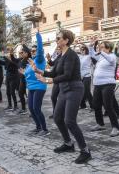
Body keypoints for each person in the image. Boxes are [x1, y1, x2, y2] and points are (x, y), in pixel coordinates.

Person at [32, 29, 92, 164]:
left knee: (69, 121)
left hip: (74, 89)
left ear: (66, 40)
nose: (56, 40)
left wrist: (48, 81)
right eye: (56, 38)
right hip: (65, 90)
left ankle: (85, 151)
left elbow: (68, 75)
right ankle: (68, 143)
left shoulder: (71, 55)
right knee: (58, 118)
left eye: (59, 38)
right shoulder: (61, 55)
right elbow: (54, 72)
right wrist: (39, 71)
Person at [89, 40, 119, 137]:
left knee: (108, 106)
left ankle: (116, 128)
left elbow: (110, 60)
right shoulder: (101, 57)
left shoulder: (112, 56)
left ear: (108, 48)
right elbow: (93, 55)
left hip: (108, 84)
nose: (100, 49)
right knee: (96, 105)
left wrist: (101, 51)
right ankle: (100, 124)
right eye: (100, 47)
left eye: (103, 47)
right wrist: (90, 46)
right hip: (97, 84)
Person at [22, 31, 49, 136]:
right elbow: (29, 75)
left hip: (39, 86)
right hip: (31, 87)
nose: (33, 52)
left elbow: (40, 49)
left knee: (36, 108)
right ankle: (38, 127)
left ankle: (45, 129)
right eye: (32, 51)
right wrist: (25, 74)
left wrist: (38, 36)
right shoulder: (30, 62)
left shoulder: (40, 59)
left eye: (35, 51)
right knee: (31, 109)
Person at [46, 47, 61, 118]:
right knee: (53, 97)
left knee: (61, 98)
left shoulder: (65, 56)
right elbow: (52, 64)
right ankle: (55, 112)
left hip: (61, 80)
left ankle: (60, 113)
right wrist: (49, 59)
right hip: (56, 80)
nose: (57, 50)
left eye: (58, 49)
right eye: (57, 49)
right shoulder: (58, 57)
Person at [79, 44, 93, 110]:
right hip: (81, 76)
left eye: (83, 49)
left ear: (86, 50)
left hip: (87, 76)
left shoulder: (88, 56)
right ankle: (82, 105)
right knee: (81, 91)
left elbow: (91, 51)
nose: (82, 51)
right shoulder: (80, 57)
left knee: (87, 91)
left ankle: (93, 106)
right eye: (81, 50)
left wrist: (85, 45)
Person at [17, 46, 30, 115]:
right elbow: (13, 59)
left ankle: (31, 111)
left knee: (29, 96)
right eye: (20, 53)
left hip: (27, 79)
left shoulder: (28, 59)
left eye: (22, 52)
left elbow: (28, 50)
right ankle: (24, 108)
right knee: (20, 93)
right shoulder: (20, 60)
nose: (21, 53)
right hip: (22, 79)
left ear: (26, 53)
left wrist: (24, 45)